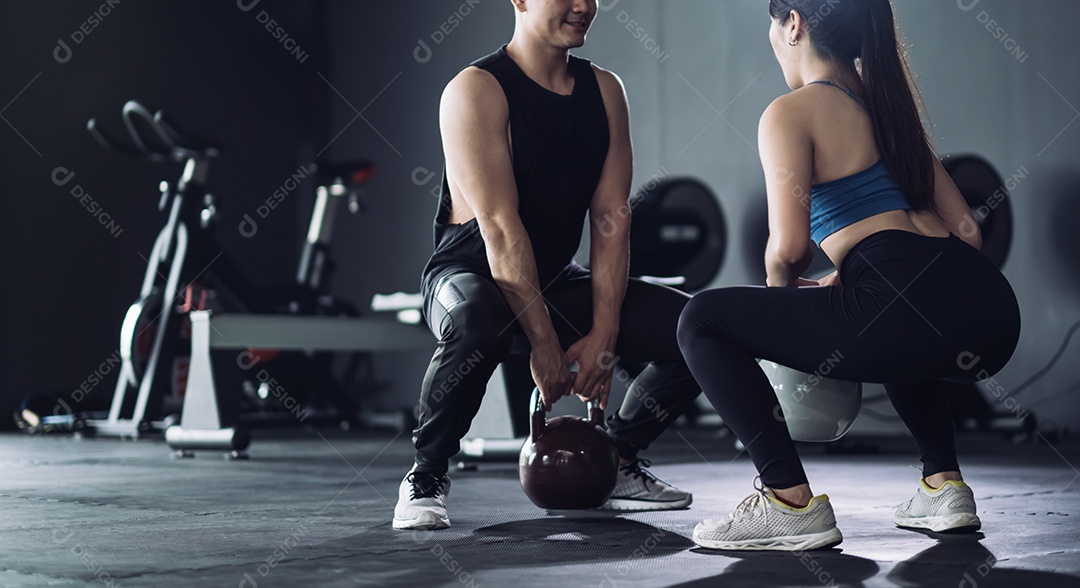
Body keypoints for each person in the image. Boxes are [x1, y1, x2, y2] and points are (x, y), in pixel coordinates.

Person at [676, 0, 1021, 551]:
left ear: (793, 22)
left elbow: (787, 251)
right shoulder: (889, 107)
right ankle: (943, 485)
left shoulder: (789, 112)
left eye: (772, 20)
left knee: (700, 318)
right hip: (990, 312)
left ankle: (787, 502)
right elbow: (968, 233)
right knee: (902, 320)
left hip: (899, 299)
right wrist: (848, 285)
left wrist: (779, 325)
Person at [394, 0, 700, 531]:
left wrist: (604, 335)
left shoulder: (605, 90)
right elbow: (500, 229)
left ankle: (619, 458)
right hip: (470, 277)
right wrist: (544, 346)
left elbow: (611, 218)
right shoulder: (475, 91)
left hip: (554, 280)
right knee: (476, 322)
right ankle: (426, 474)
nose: (583, 6)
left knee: (698, 327)